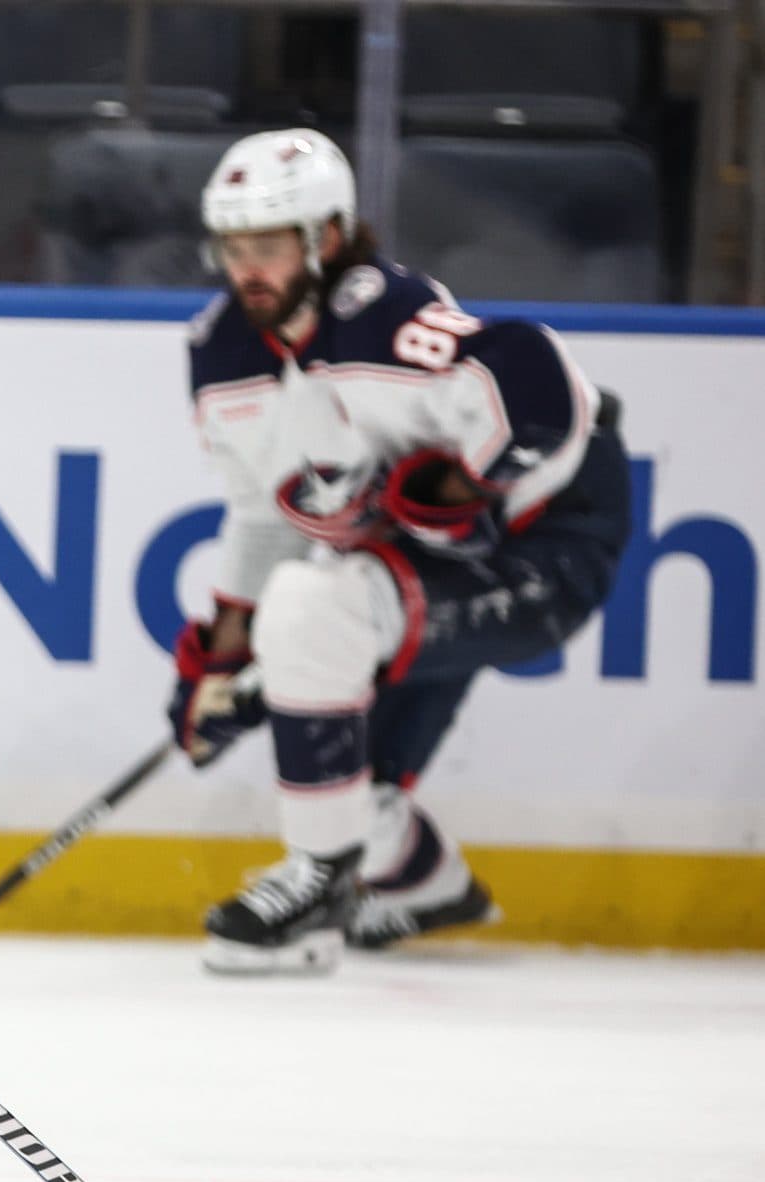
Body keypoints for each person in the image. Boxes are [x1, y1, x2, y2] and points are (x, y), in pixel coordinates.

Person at [171, 129, 629, 975]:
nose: (246, 271)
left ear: (327, 237)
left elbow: (536, 386)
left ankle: (316, 885)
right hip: (425, 560)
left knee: (310, 613)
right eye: (232, 249)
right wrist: (224, 664)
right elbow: (265, 517)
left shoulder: (380, 316)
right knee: (343, 762)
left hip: (543, 543)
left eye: (266, 246)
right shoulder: (220, 353)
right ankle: (428, 890)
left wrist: (454, 491)